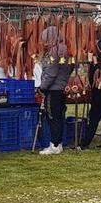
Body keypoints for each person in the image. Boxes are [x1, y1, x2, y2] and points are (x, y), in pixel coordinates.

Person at [39, 26, 74, 155]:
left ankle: (54, 144)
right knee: (59, 116)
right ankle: (57, 144)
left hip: (53, 89)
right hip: (61, 87)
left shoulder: (54, 51)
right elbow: (70, 66)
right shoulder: (67, 49)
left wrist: (43, 87)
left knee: (52, 116)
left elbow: (51, 72)